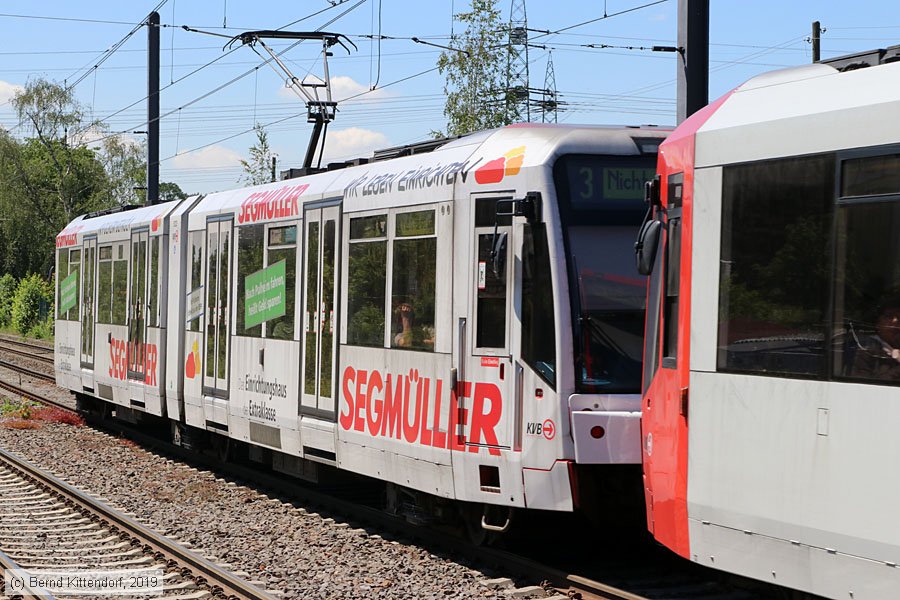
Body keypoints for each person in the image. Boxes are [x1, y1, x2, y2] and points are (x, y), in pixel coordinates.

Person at [850, 293, 900, 380]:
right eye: (889, 316)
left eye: (899, 317)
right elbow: (864, 385)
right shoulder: (866, 349)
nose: (895, 321)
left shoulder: (896, 345)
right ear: (877, 322)